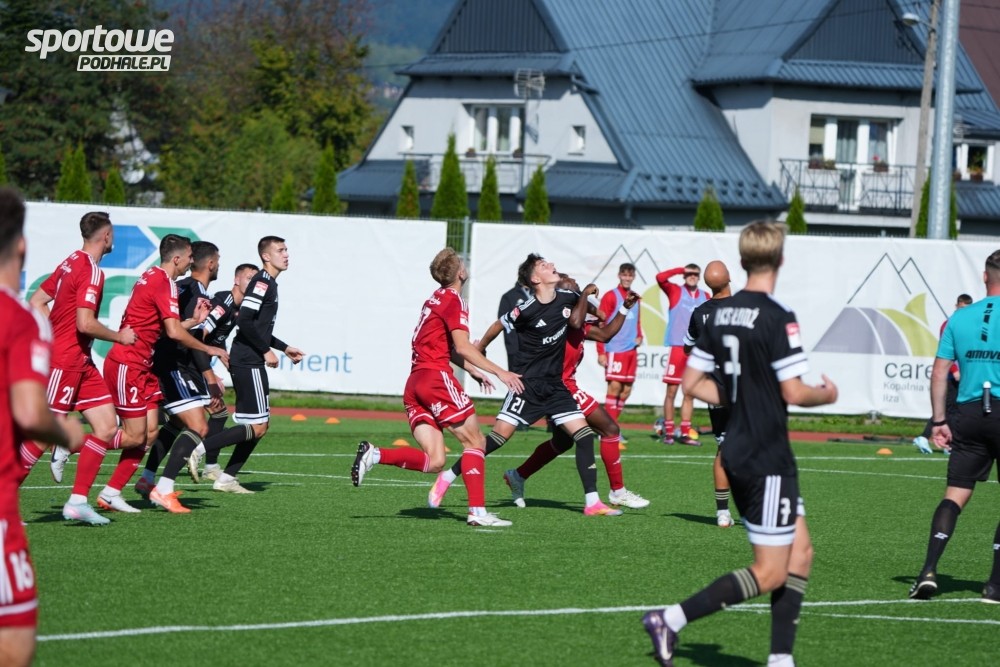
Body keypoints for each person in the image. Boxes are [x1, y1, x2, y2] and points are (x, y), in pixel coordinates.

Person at [643, 221, 838, 667]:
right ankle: (669, 619)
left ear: (744, 260)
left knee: (801, 554)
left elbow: (691, 383)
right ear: (780, 260)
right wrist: (827, 395)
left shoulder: (716, 315)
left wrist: (735, 394)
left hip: (743, 449)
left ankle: (780, 659)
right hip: (764, 454)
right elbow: (793, 391)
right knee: (770, 571)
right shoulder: (777, 315)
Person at [428, 254, 623, 517]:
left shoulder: (567, 298)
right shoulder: (526, 309)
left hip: (555, 387)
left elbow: (590, 315)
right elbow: (498, 324)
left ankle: (592, 503)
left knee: (585, 436)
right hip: (527, 386)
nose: (551, 265)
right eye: (544, 265)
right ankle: (447, 477)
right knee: (494, 440)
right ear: (535, 279)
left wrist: (596, 307)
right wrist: (482, 347)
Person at [350, 248, 523, 527]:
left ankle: (376, 454)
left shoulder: (434, 298)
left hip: (415, 383)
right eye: (463, 264)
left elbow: (444, 345)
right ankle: (477, 513)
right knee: (476, 442)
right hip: (435, 379)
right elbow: (463, 347)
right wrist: (501, 372)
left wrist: (473, 371)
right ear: (461, 273)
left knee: (436, 460)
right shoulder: (455, 300)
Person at [0, 187, 85, 667]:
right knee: (14, 645)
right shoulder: (22, 319)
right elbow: (31, 414)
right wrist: (67, 434)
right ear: (21, 246)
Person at [19, 212, 135, 525]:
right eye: (113, 233)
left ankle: (77, 502)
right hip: (66, 362)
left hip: (81, 363)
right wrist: (119, 336)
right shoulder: (92, 272)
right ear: (106, 236)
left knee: (107, 427)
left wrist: (53, 335)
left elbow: (37, 302)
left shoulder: (70, 261)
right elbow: (85, 323)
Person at [99, 235, 229, 512]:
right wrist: (208, 360)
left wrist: (191, 321)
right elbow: (173, 333)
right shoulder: (174, 284)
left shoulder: (156, 278)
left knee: (152, 432)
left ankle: (132, 485)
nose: (191, 262)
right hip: (156, 365)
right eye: (189, 257)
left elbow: (166, 327)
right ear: (178, 258)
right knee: (195, 427)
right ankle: (162, 488)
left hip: (149, 364)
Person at [503, 273, 649, 510]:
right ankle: (617, 492)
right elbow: (576, 320)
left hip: (563, 386)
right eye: (572, 288)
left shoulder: (577, 321)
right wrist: (586, 296)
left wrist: (624, 308)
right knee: (610, 429)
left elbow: (605, 334)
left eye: (577, 289)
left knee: (562, 442)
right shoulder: (563, 321)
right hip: (559, 387)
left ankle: (518, 475)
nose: (577, 290)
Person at [908, 254, 1000, 604]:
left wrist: (939, 421)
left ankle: (928, 571)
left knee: (955, 494)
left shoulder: (960, 317)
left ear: (984, 277)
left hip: (969, 413)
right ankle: (995, 586)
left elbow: (939, 372)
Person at [186, 236, 304, 494]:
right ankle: (199, 450)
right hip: (248, 360)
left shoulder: (268, 282)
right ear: (266, 256)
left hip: (247, 359)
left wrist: (283, 348)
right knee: (257, 426)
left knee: (260, 427)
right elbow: (245, 321)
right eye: (280, 250)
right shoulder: (263, 283)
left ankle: (227, 478)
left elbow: (257, 327)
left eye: (286, 249)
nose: (286, 254)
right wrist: (265, 351)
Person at [141, 241, 226, 513]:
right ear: (210, 263)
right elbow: (187, 335)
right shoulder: (195, 291)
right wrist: (209, 375)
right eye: (218, 260)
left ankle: (147, 479)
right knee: (199, 426)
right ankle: (164, 489)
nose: (219, 265)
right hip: (176, 365)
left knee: (176, 424)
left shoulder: (180, 286)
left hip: (169, 361)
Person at [682, 260, 736, 528]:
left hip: (716, 391)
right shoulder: (747, 309)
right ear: (730, 278)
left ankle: (722, 513)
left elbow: (687, 347)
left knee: (724, 448)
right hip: (746, 389)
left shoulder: (699, 312)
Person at [196, 263, 260, 480]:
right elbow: (199, 335)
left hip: (196, 363)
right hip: (188, 363)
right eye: (249, 278)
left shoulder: (239, 308)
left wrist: (225, 359)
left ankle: (208, 465)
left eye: (256, 280)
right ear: (236, 280)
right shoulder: (224, 303)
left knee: (178, 418)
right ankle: (207, 464)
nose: (253, 283)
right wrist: (209, 376)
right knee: (217, 413)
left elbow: (217, 338)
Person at [913, 293, 974, 454]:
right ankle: (944, 442)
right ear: (956, 306)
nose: (963, 312)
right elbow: (945, 353)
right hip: (950, 376)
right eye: (961, 308)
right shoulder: (949, 324)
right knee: (951, 409)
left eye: (966, 309)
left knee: (950, 410)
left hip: (963, 375)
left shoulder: (969, 324)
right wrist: (954, 371)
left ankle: (931, 438)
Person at [656, 263, 708, 445]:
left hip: (696, 349)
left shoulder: (705, 296)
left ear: (700, 277)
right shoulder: (676, 291)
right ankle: (669, 432)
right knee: (671, 391)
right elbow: (660, 278)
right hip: (678, 347)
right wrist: (680, 270)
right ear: (685, 276)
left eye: (696, 274)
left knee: (690, 392)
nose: (692, 276)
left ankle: (685, 432)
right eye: (689, 273)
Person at [596, 263, 642, 425]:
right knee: (614, 388)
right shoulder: (610, 296)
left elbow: (637, 322)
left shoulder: (635, 298)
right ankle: (608, 431)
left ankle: (612, 427)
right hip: (615, 349)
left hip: (631, 350)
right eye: (624, 275)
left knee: (626, 391)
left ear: (634, 277)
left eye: (630, 275)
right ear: (619, 276)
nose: (627, 278)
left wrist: (640, 336)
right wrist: (601, 352)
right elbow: (600, 324)